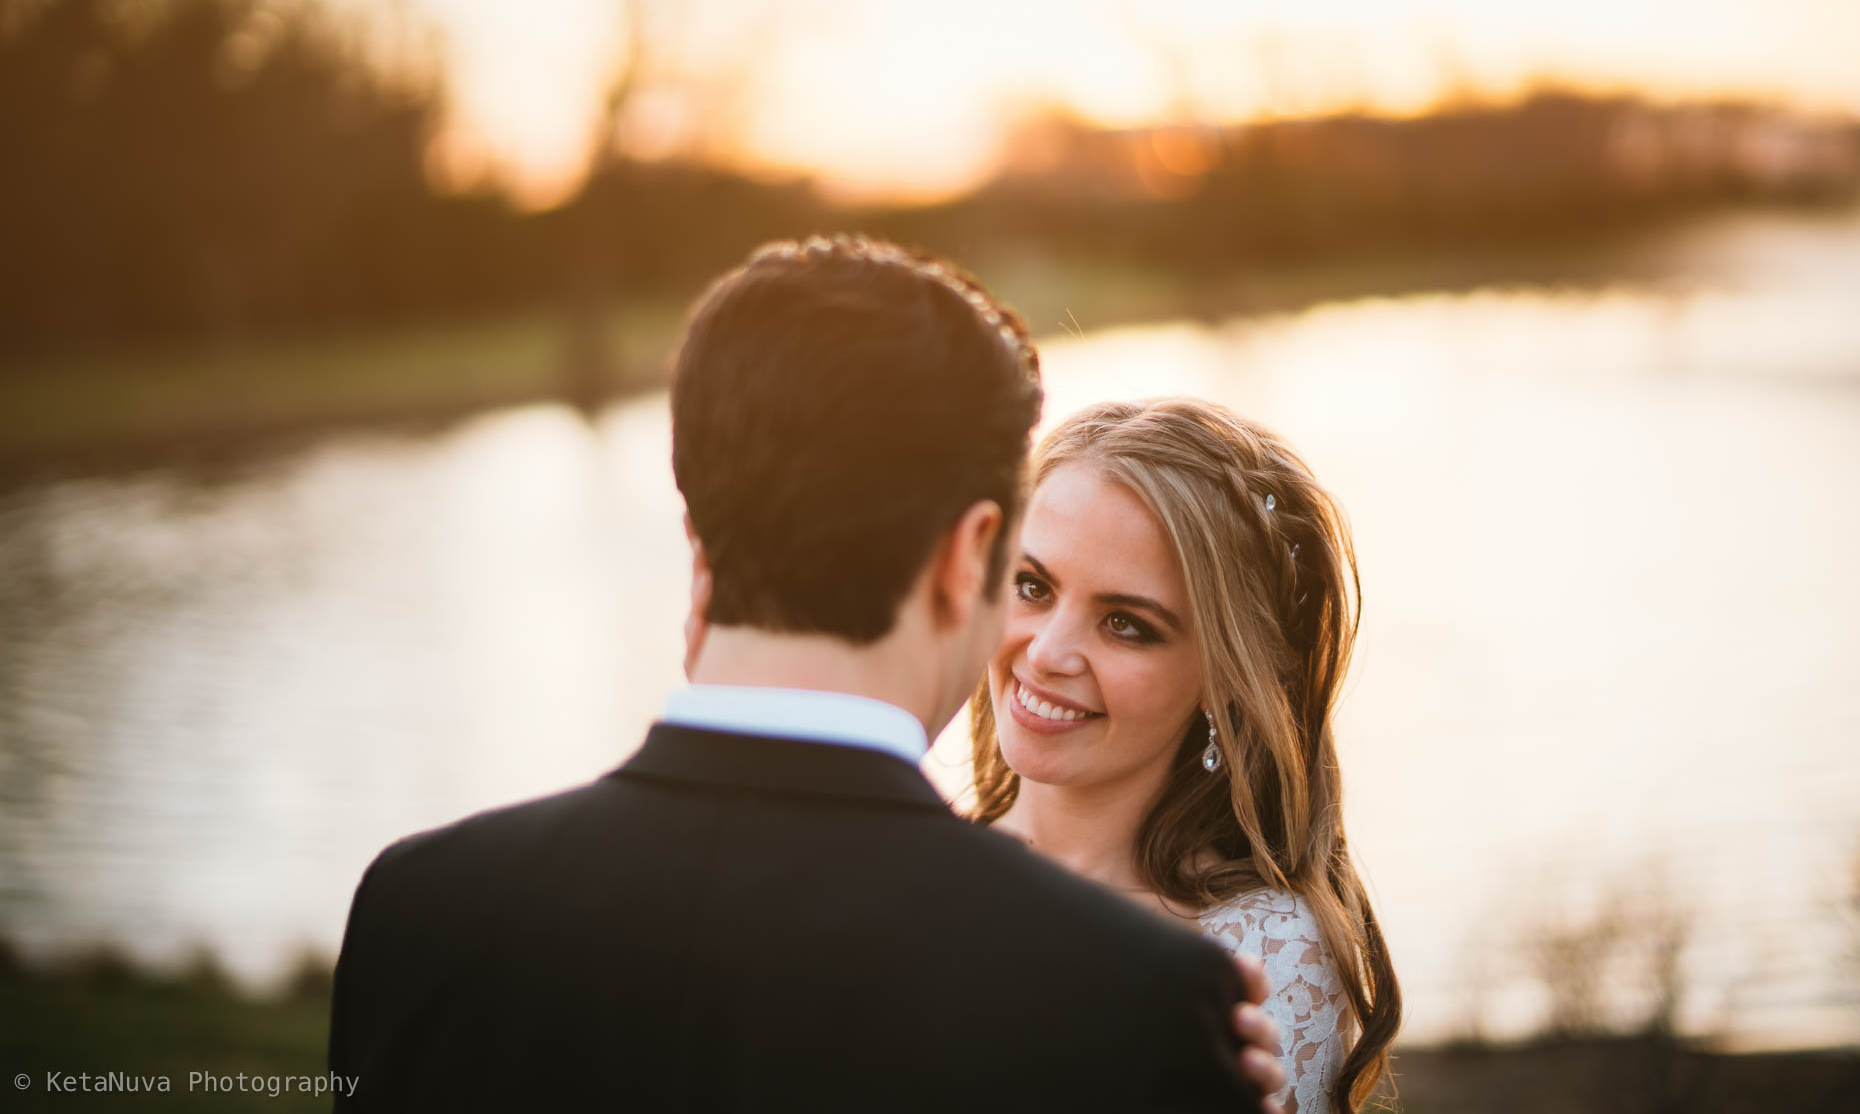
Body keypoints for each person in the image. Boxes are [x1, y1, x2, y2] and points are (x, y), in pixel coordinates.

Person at [328, 238, 1284, 1112]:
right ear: (970, 558)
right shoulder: (1140, 1002)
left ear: (700, 544)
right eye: (1024, 581)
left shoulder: (420, 913)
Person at [970, 399, 1402, 1114]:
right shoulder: (902, 866)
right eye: (1032, 586)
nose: (1045, 653)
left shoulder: (1258, 953)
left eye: (1125, 623)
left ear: (1223, 677)